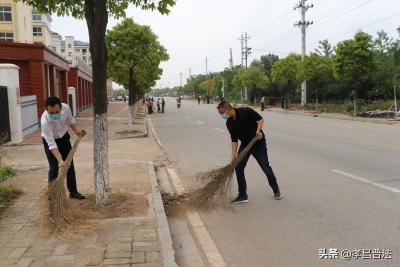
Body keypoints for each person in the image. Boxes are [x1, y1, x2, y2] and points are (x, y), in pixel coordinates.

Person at [217, 101, 282, 203]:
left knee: (265, 167)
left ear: (229, 109)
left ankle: (276, 190)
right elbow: (234, 140)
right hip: (246, 145)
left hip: (258, 143)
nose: (222, 116)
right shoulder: (229, 123)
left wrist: (258, 130)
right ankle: (243, 195)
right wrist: (233, 156)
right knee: (238, 167)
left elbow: (260, 119)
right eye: (221, 114)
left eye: (222, 113)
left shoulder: (245, 111)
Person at [41, 97, 86, 200]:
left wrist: (77, 131)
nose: (54, 115)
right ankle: (53, 195)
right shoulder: (44, 121)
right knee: (54, 167)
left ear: (61, 107)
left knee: (69, 165)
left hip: (64, 138)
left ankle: (73, 192)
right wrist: (60, 160)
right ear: (46, 110)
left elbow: (70, 121)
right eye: (51, 113)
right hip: (49, 141)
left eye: (57, 112)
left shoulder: (66, 108)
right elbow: (51, 144)